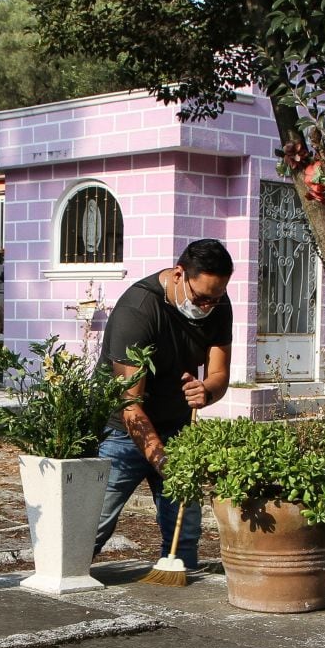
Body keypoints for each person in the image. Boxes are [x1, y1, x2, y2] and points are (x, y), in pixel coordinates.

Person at [91, 238, 235, 569]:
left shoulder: (216, 302)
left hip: (178, 428)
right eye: (201, 298)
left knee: (183, 530)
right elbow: (130, 406)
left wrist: (207, 391)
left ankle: (179, 589)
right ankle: (65, 584)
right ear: (178, 274)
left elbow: (218, 374)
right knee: (93, 525)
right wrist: (162, 460)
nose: (207, 307)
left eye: (215, 299)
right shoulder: (138, 310)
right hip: (122, 432)